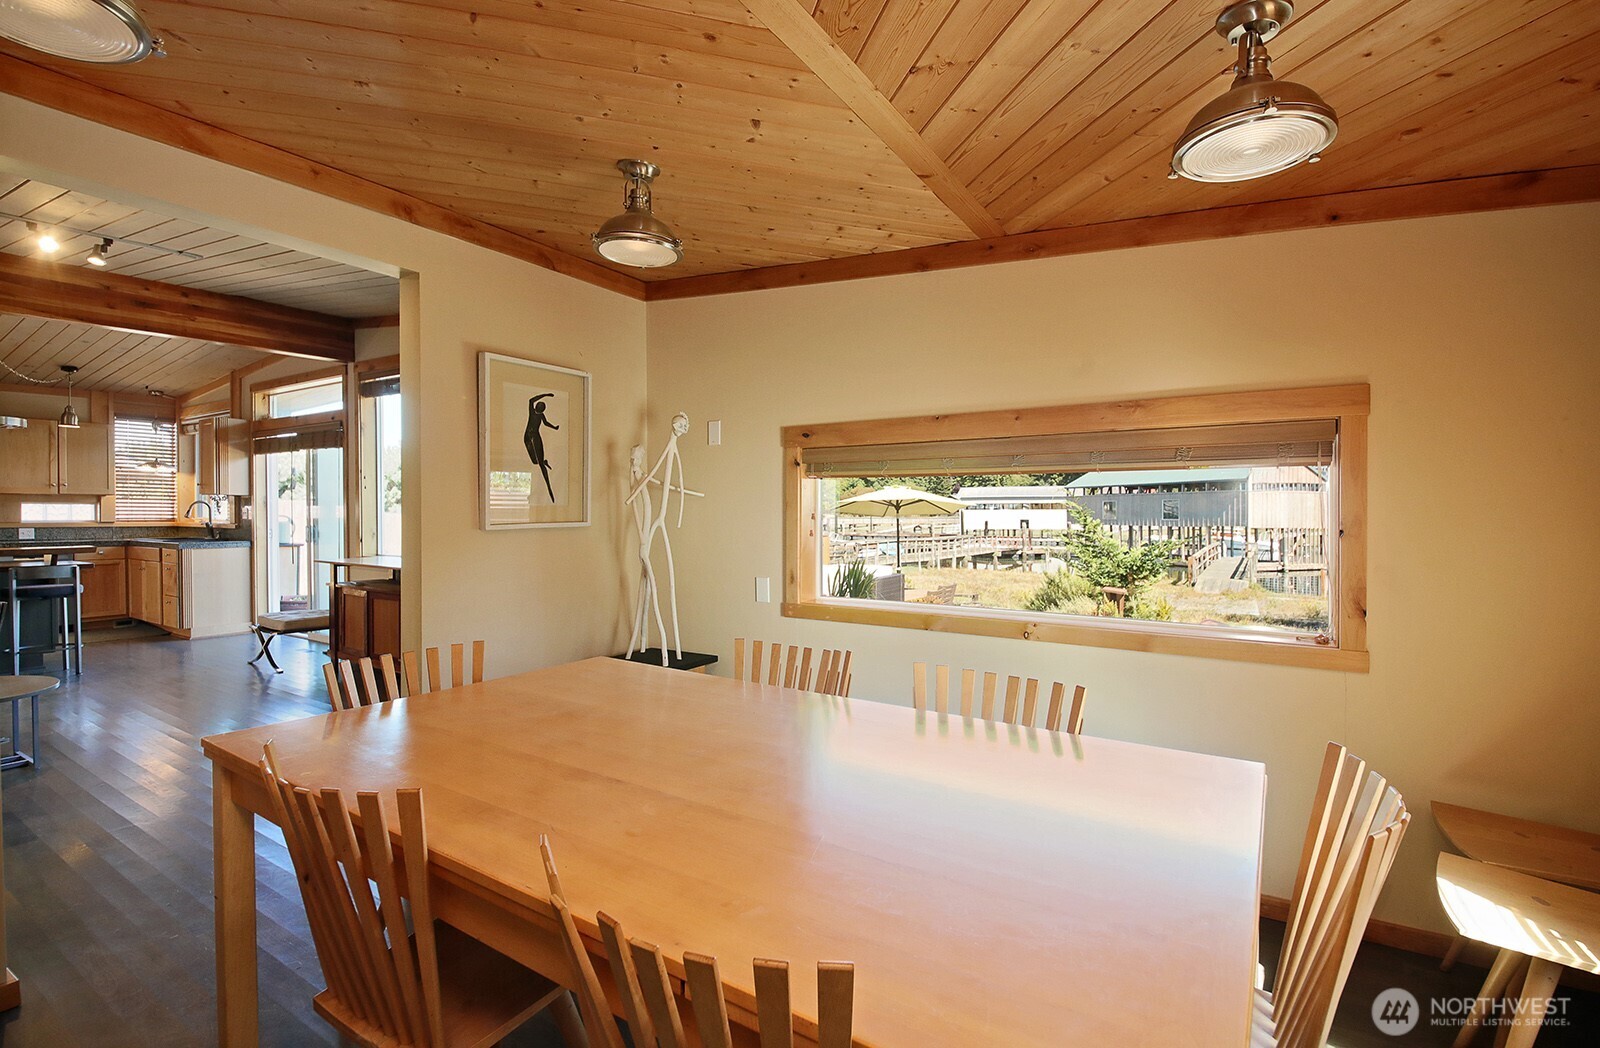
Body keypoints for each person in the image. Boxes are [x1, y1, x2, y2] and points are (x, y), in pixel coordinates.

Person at [523, 393, 560, 503]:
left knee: (539, 464)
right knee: (535, 461)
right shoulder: (532, 412)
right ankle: (544, 461)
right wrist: (546, 394)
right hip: (528, 437)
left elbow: (546, 423)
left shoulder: (540, 416)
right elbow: (531, 399)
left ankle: (549, 487)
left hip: (536, 436)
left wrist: (554, 427)